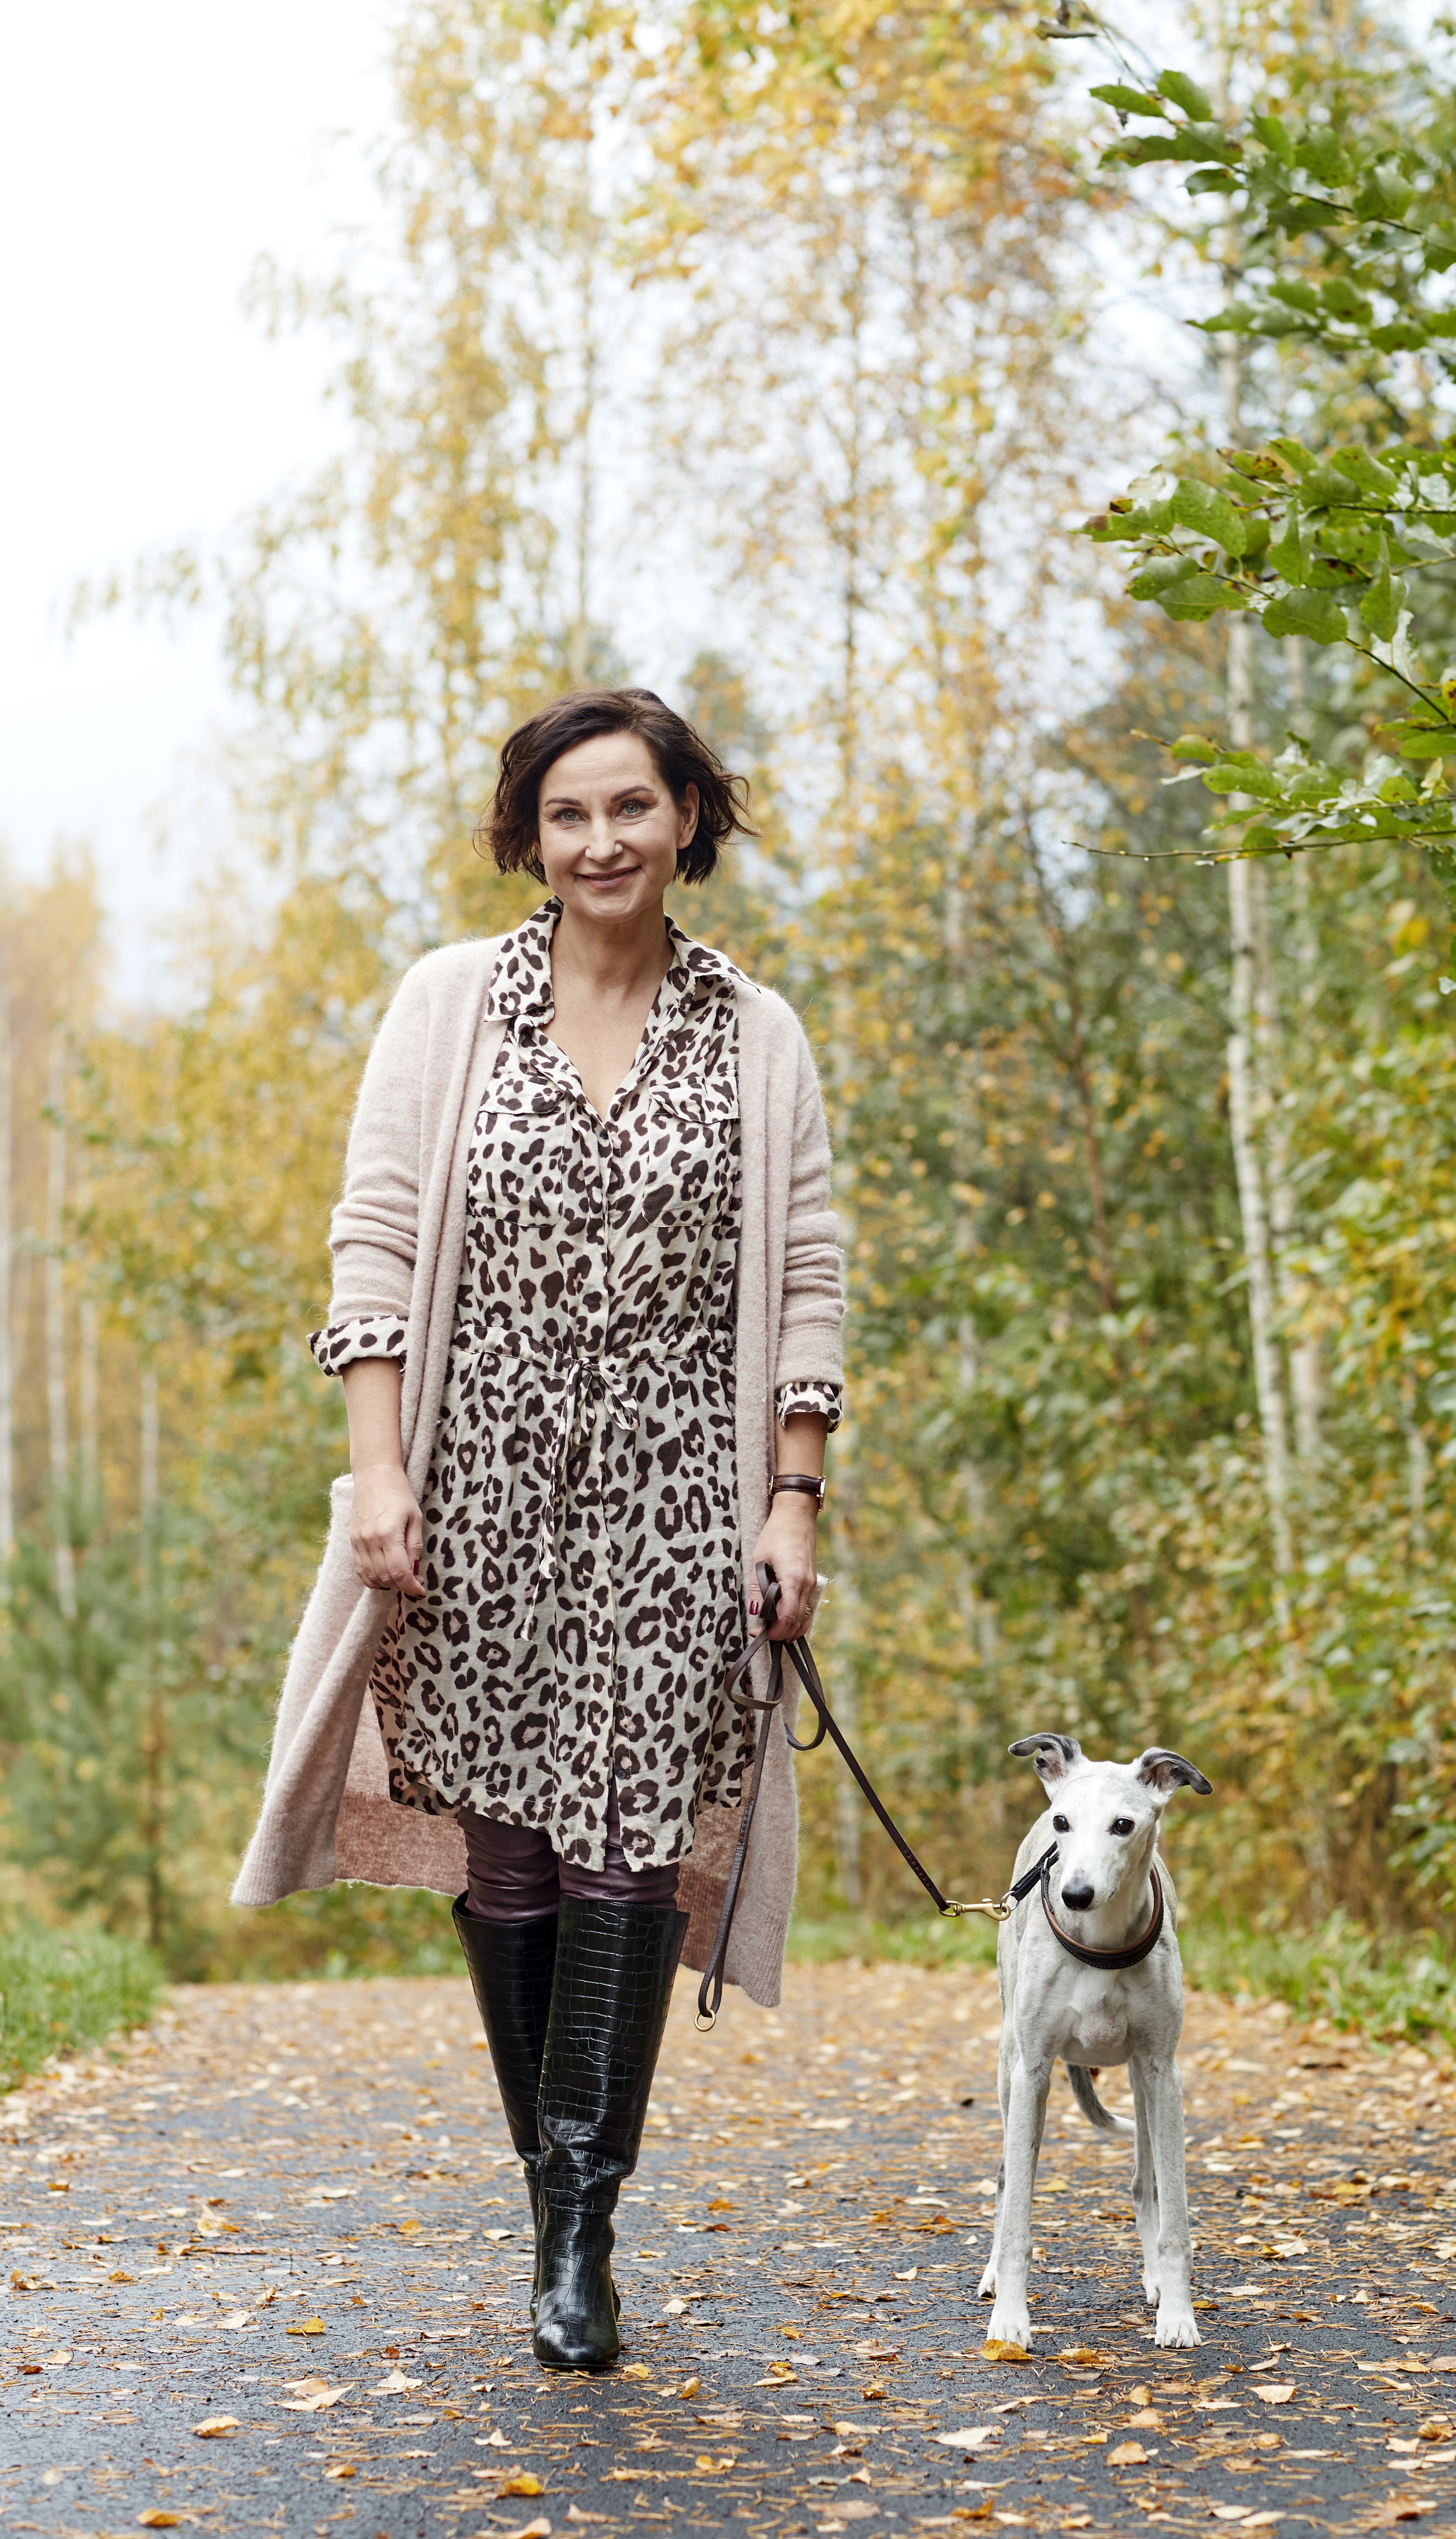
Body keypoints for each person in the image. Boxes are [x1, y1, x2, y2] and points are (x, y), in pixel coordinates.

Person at [231, 687, 845, 2371]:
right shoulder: (449, 1007)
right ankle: (552, 2187)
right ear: (531, 836)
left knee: (628, 1846)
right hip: (479, 1484)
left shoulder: (757, 1032)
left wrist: (792, 1496)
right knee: (509, 1843)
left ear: (685, 822)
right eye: (569, 816)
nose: (602, 843)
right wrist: (378, 1474)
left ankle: (586, 2217)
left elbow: (804, 1283)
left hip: (672, 1503)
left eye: (631, 809)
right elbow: (372, 1245)